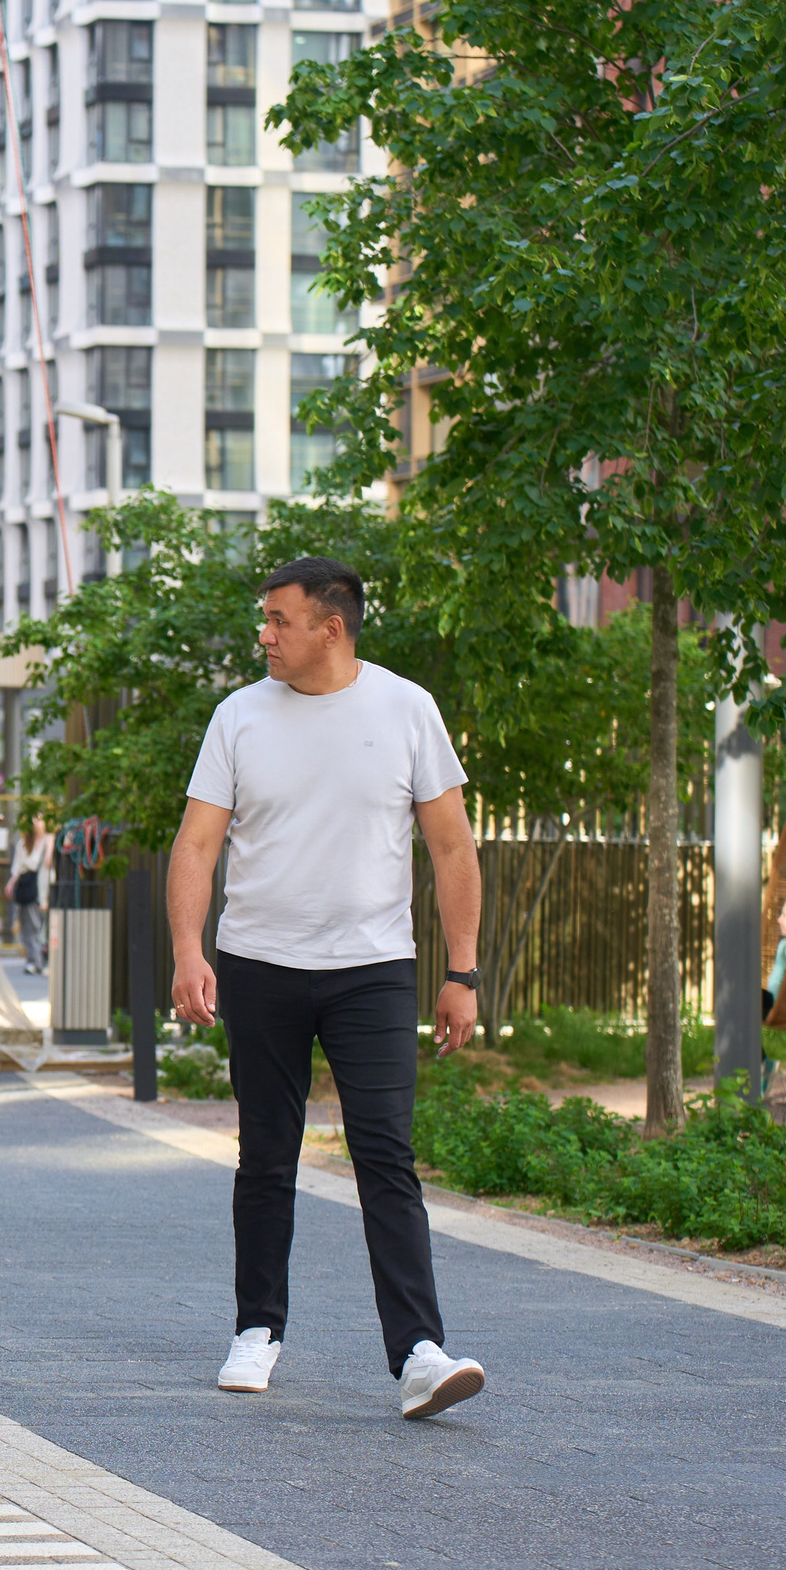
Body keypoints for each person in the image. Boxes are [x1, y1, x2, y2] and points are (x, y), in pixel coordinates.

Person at [166, 555, 491, 1421]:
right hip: (260, 964)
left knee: (385, 1153)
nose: (264, 634)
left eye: (277, 619)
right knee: (266, 1154)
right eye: (263, 620)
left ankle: (420, 1352)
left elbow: (453, 848)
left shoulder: (406, 709)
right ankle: (257, 1329)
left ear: (330, 627)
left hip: (373, 970)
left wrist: (462, 971)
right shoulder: (238, 717)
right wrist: (187, 951)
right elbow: (197, 844)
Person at [8, 814, 54, 974]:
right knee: (27, 927)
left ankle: (40, 961)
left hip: (41, 889)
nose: (37, 823)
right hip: (26, 887)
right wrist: (11, 883)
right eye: (34, 819)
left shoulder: (49, 841)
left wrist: (50, 841)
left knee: (39, 927)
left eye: (40, 819)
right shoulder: (23, 843)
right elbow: (17, 867)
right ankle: (33, 961)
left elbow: (47, 864)